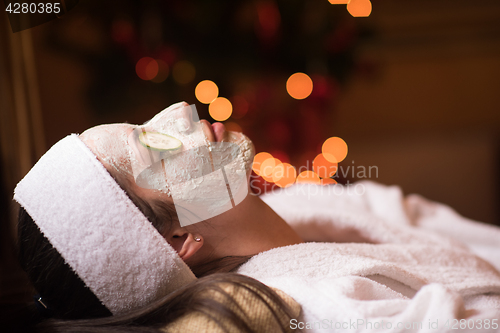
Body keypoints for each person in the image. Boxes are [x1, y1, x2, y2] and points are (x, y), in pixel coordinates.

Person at [15, 101, 500, 332]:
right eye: (152, 143)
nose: (179, 111)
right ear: (180, 238)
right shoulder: (331, 309)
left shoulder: (310, 202)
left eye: (144, 122)